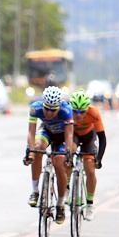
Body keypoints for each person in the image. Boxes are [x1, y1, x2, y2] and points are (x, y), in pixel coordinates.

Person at [23, 86, 74, 224]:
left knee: (59, 162)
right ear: (43, 104)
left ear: (59, 106)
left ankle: (60, 204)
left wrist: (68, 152)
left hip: (62, 137)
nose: (50, 113)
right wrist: (30, 150)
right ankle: (35, 191)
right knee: (37, 148)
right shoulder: (36, 108)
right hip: (46, 132)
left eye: (53, 110)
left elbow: (69, 135)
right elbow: (31, 133)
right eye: (47, 109)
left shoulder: (66, 110)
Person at [69, 90, 106, 221]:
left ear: (87, 109)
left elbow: (102, 138)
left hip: (89, 136)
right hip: (73, 134)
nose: (78, 115)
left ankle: (90, 204)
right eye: (75, 111)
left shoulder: (94, 112)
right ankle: (68, 188)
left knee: (90, 168)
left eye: (82, 112)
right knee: (69, 153)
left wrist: (99, 158)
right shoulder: (67, 112)